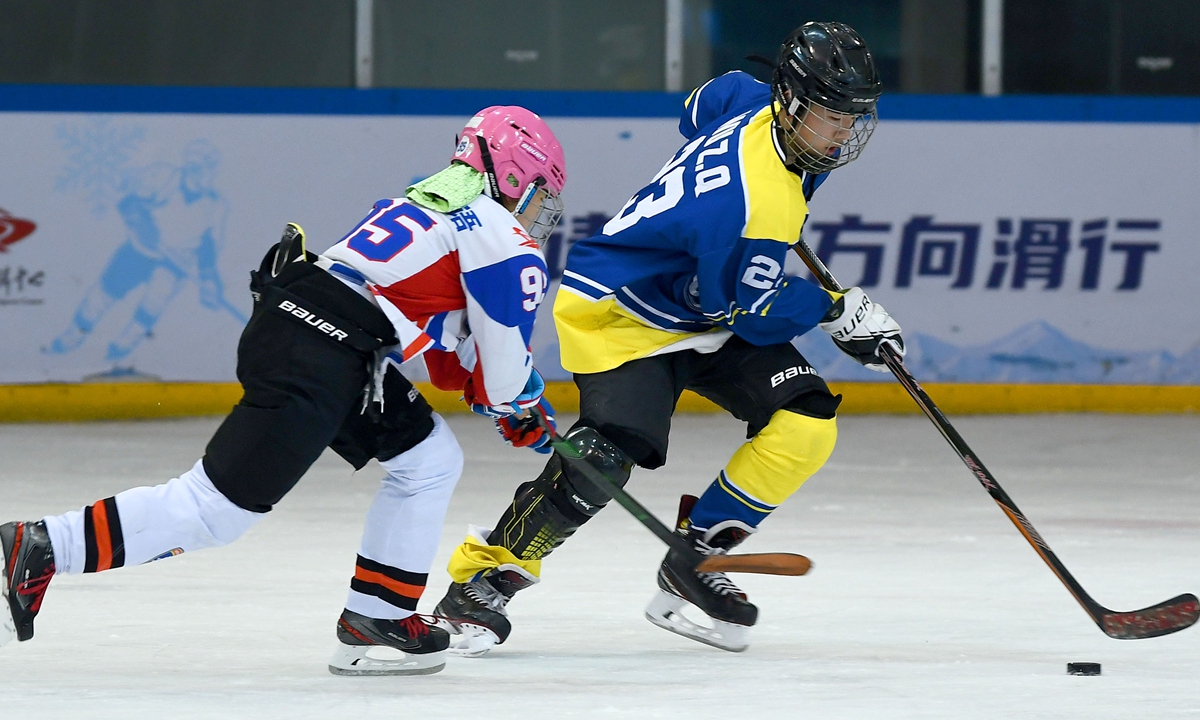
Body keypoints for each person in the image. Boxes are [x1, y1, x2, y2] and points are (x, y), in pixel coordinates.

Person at [1, 106, 567, 676]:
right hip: (326, 352)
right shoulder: (507, 241)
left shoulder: (425, 203)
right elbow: (497, 375)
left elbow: (449, 353)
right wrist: (517, 399)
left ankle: (380, 619)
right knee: (214, 510)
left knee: (429, 458)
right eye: (541, 191)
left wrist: (507, 395)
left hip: (313, 330)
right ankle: (46, 544)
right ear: (518, 172)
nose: (541, 210)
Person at [432, 22, 904, 655]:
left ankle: (696, 558)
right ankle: (481, 586)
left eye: (853, 117)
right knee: (602, 459)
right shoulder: (753, 203)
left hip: (703, 296)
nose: (845, 132)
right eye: (831, 116)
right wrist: (834, 310)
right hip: (620, 311)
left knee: (806, 422)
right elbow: (750, 309)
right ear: (790, 102)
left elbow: (700, 107)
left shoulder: (748, 97)